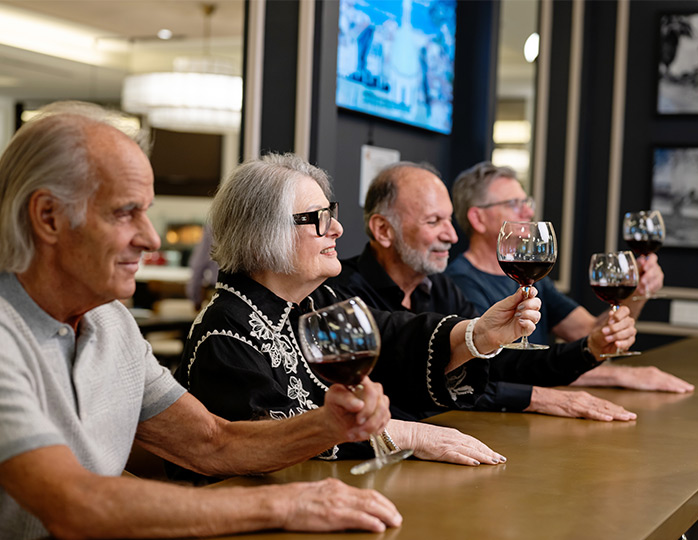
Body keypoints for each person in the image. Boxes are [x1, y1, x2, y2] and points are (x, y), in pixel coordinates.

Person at [0, 102, 405, 539]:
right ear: (48, 217)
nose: (151, 237)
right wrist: (284, 503)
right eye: (124, 212)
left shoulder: (111, 322)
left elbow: (212, 442)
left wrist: (329, 425)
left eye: (147, 211)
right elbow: (72, 504)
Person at [174, 153, 539, 481]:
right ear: (265, 233)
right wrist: (407, 434)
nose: (337, 229)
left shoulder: (316, 301)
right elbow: (265, 439)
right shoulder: (224, 333)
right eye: (319, 218)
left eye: (331, 214)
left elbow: (395, 338)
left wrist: (479, 334)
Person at [330, 161, 646, 422]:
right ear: (383, 230)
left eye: (449, 220)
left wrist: (590, 349)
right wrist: (539, 397)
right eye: (433, 221)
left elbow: (501, 365)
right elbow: (393, 387)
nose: (452, 235)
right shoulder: (340, 294)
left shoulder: (440, 286)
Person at [447, 161, 694, 393]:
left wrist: (637, 292)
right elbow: (503, 368)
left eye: (527, 201)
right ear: (478, 218)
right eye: (513, 203)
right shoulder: (459, 283)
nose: (528, 210)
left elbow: (592, 332)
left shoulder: (533, 278)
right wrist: (619, 376)